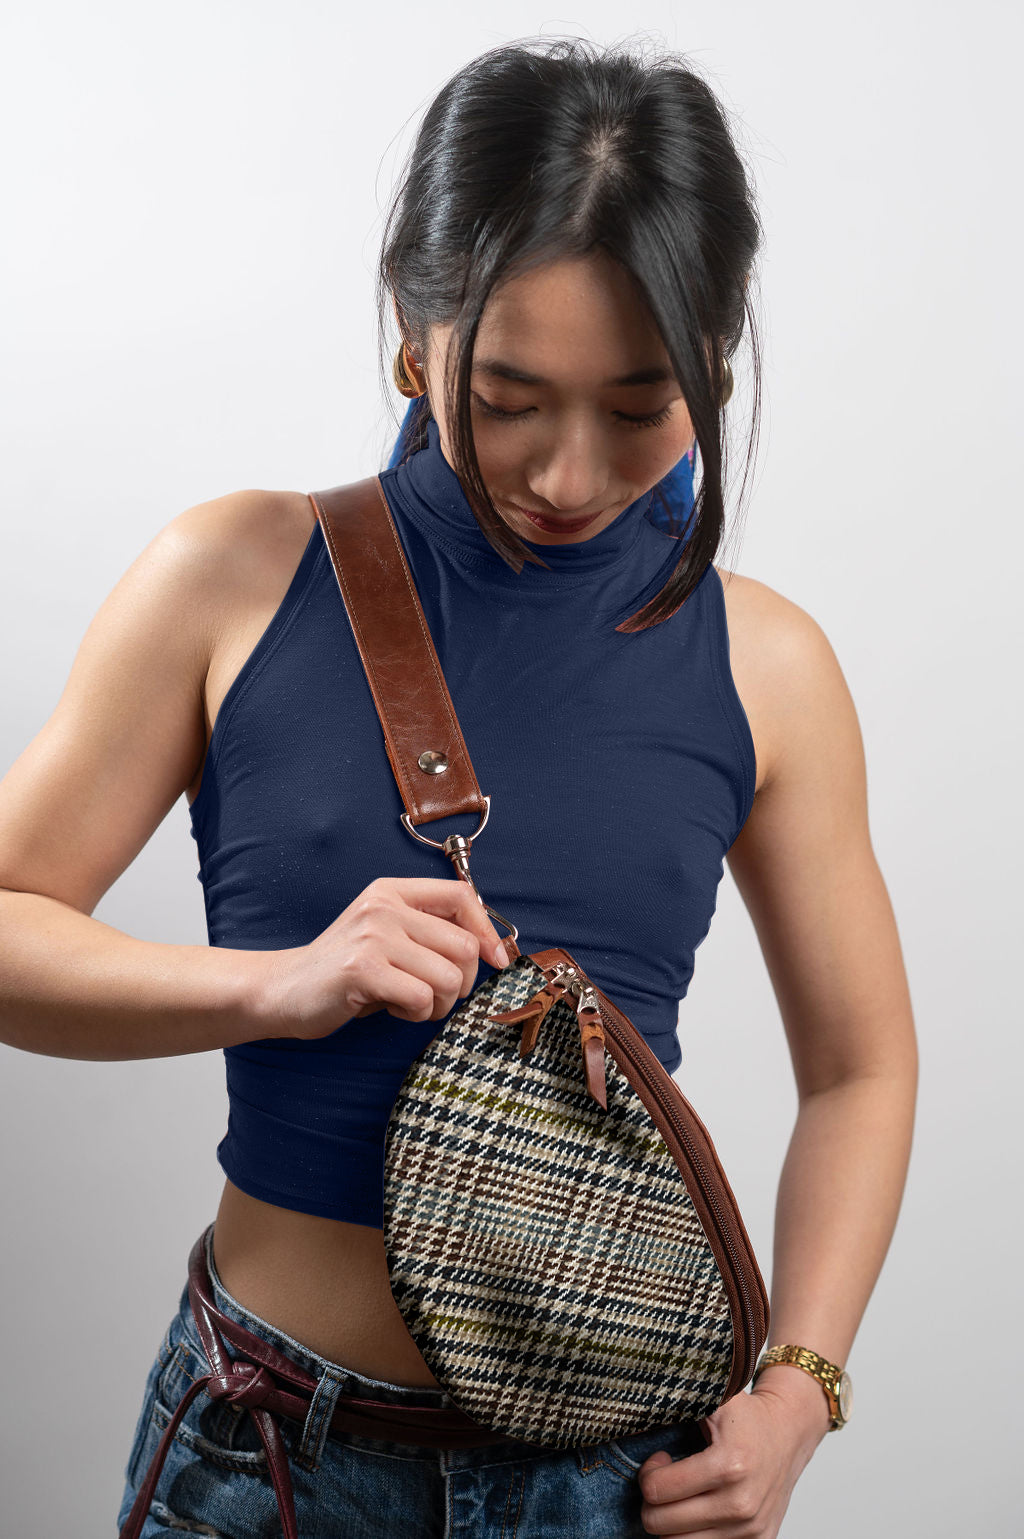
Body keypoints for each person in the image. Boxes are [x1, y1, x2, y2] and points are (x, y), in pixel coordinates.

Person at [0, 35, 918, 1539]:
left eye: (641, 406)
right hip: (272, 1462)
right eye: (505, 397)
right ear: (414, 337)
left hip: (617, 1485)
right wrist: (277, 985)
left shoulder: (770, 667)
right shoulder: (230, 578)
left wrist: (800, 1390)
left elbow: (863, 1069)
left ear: (719, 359)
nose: (565, 474)